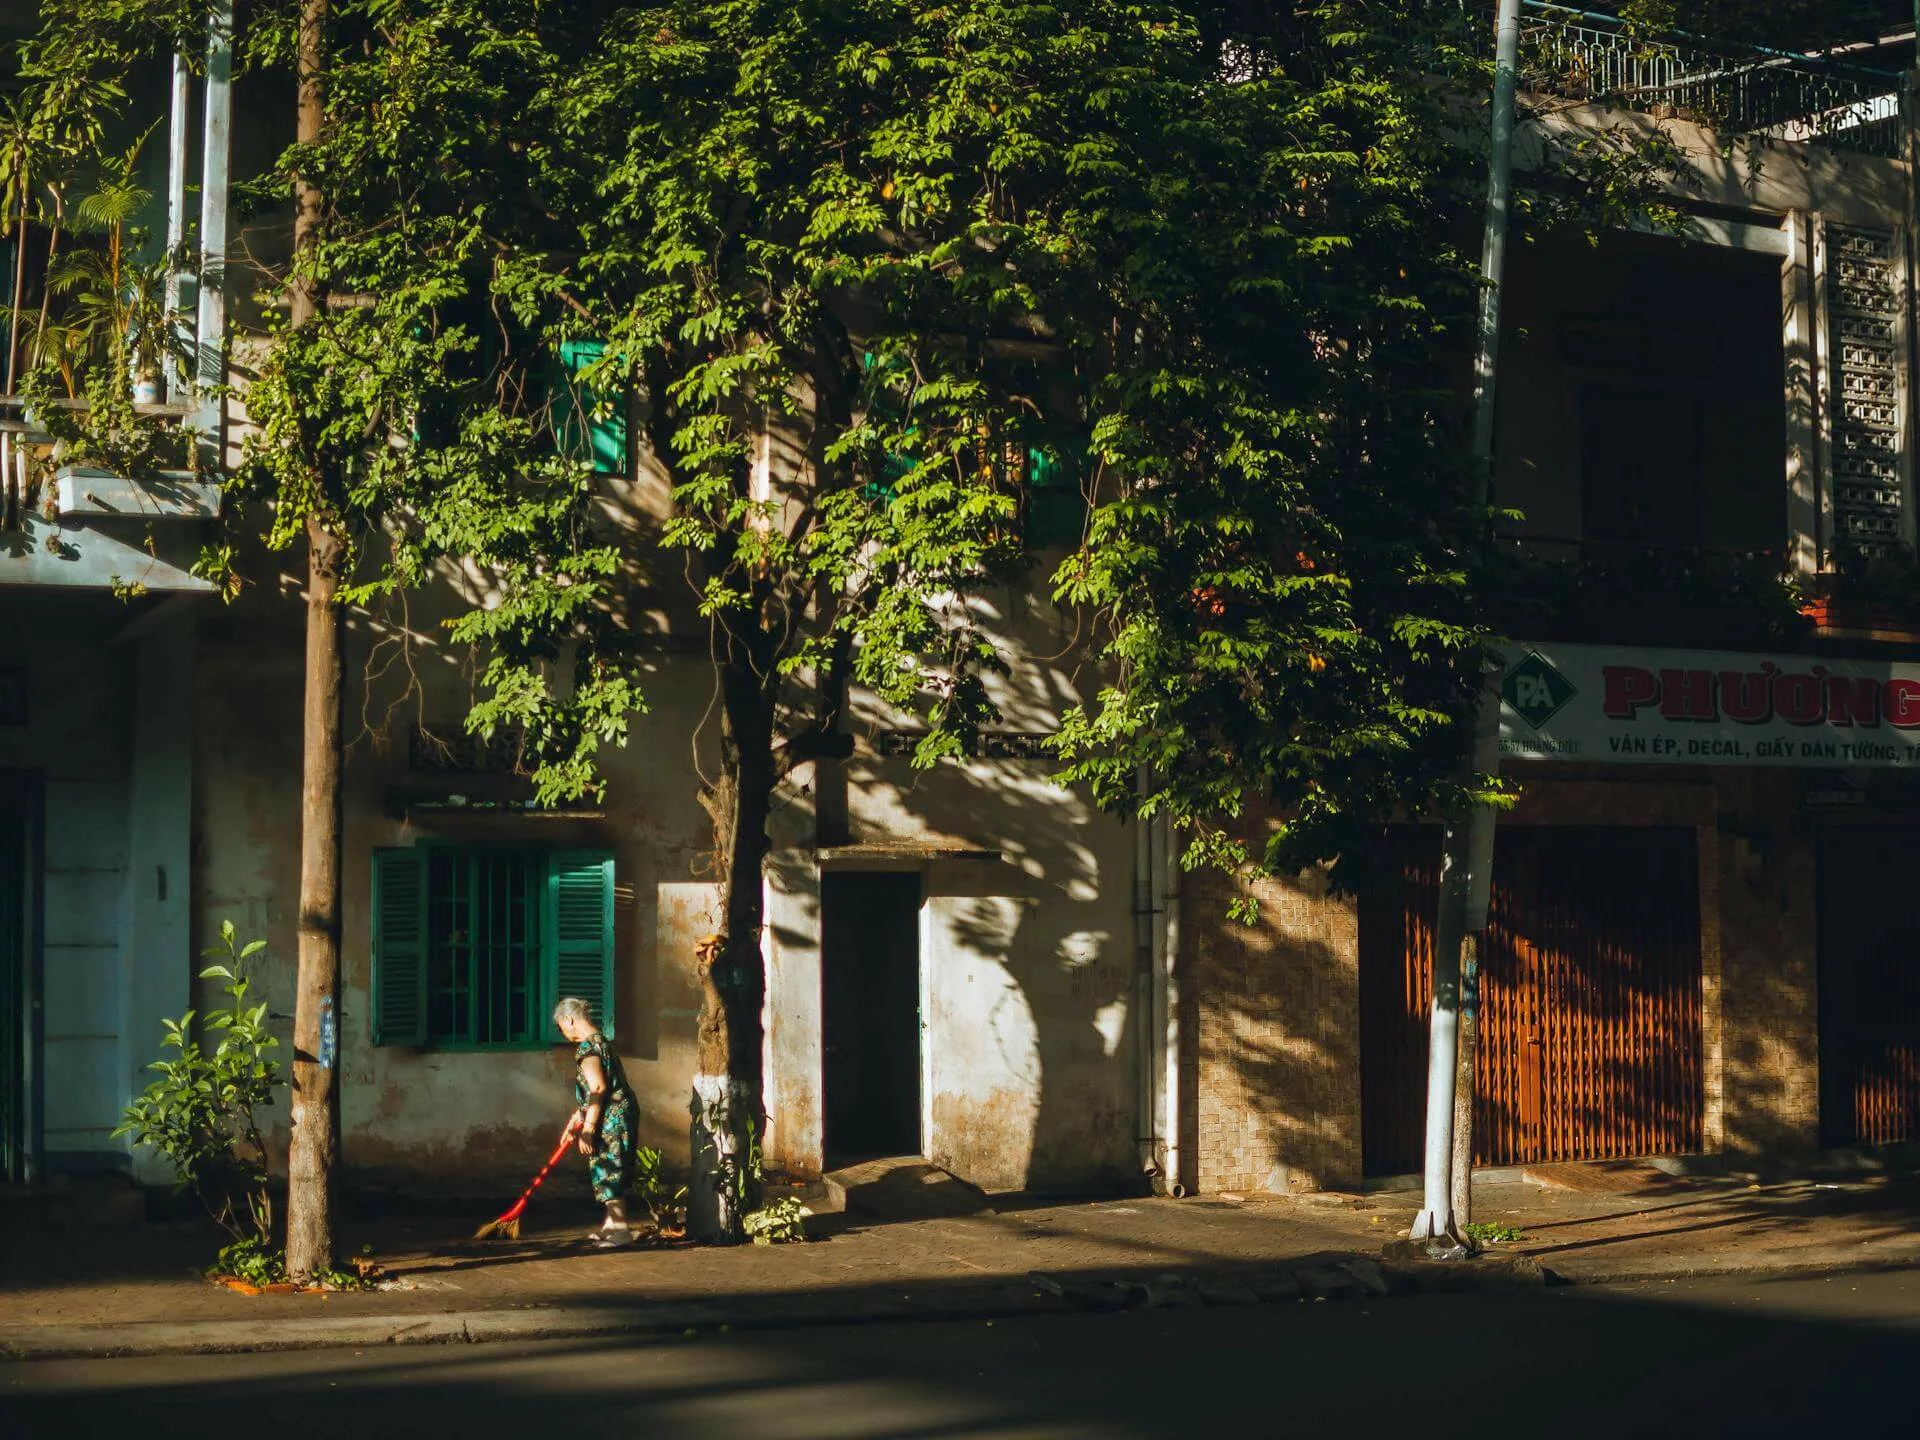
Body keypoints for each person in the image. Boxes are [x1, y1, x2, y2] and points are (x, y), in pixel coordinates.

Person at [553, 997, 636, 1247]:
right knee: (606, 1164)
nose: (563, 1032)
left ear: (569, 1019)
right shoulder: (602, 1043)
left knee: (610, 1167)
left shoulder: (588, 1049)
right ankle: (611, 1225)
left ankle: (621, 1230)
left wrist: (588, 1129)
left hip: (611, 1117)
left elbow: (598, 1087)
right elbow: (598, 1090)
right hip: (614, 1112)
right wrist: (576, 1119)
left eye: (561, 1026)